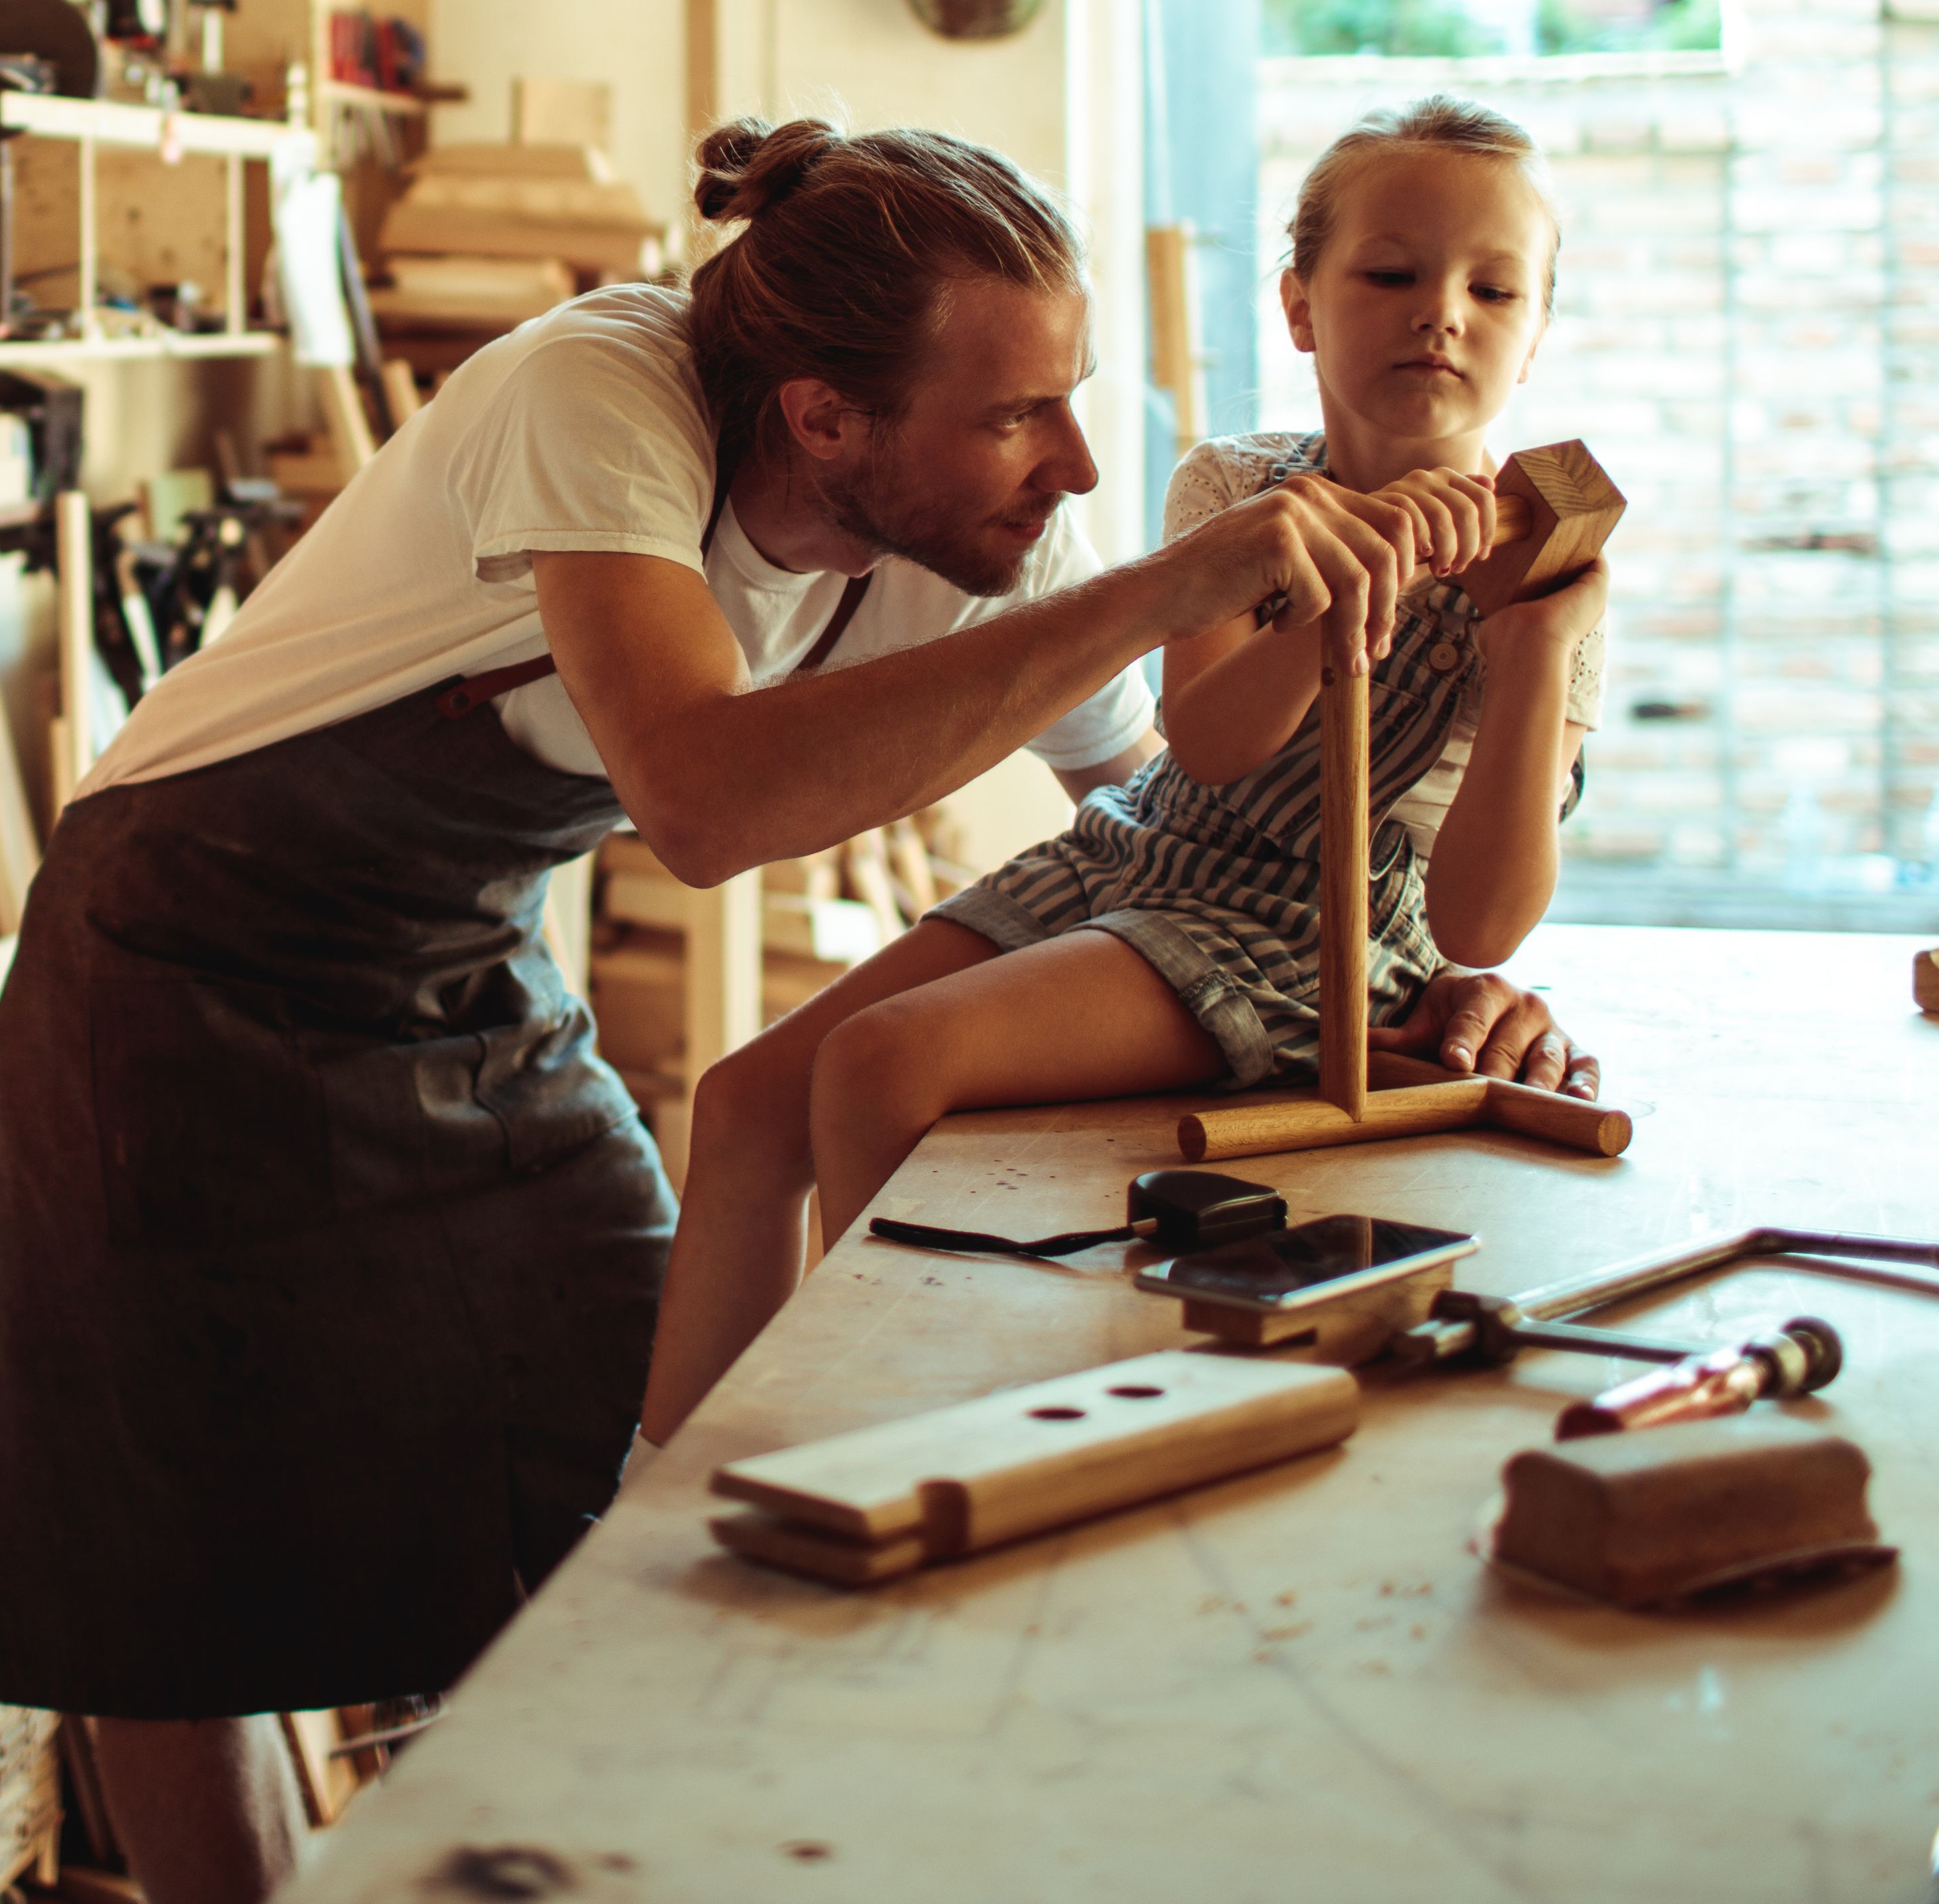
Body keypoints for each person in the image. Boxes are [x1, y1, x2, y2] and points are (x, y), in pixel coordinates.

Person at [0, 116, 1577, 1904]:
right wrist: (1164, 593)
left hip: (458, 960)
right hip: (180, 958)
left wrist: (1448, 986)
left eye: (1073, 402)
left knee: (634, 1447)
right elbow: (706, 800)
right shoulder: (600, 393)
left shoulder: (999, 526)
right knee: (185, 1576)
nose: (1065, 465)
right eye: (1012, 417)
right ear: (826, 419)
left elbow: (1154, 827)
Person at [640, 95, 1613, 1445]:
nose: (1440, 313)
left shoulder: (1548, 569)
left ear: (1539, 328)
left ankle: (870, 1451)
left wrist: (1541, 644)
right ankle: (670, 1501)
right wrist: (1333, 583)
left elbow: (1480, 921)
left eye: (1492, 287)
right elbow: (1206, 748)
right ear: (1299, 306)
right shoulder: (1240, 487)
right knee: (750, 1098)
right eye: (1391, 273)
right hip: (1139, 855)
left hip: (1301, 935)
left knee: (878, 1068)